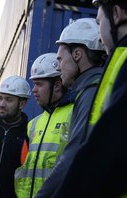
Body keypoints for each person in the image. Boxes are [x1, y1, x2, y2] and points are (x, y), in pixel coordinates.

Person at [48, 0, 127, 197]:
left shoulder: (97, 86)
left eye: (100, 23)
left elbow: (98, 151)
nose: (100, 39)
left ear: (116, 14)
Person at [35, 18, 106, 197]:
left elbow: (74, 157)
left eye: (60, 59)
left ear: (77, 55)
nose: (59, 68)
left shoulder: (91, 92)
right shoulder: (96, 88)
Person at [15, 53, 75, 198]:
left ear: (57, 85)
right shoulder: (33, 124)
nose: (33, 90)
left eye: (39, 84)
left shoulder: (75, 114)